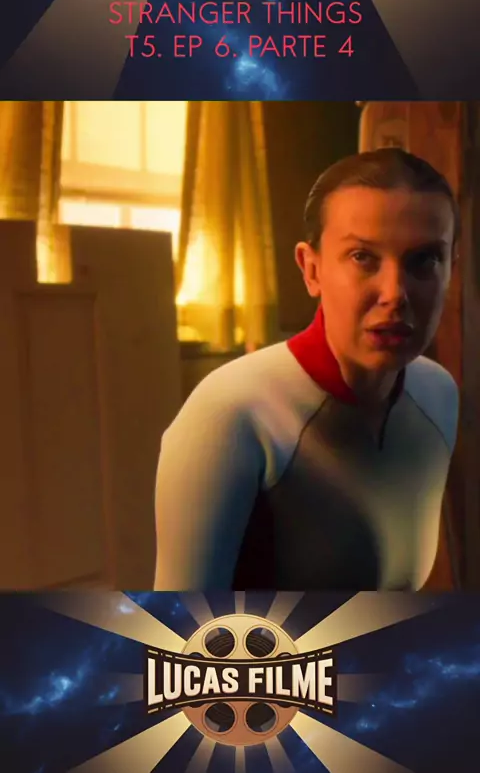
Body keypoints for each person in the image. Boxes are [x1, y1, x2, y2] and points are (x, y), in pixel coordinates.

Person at [154, 148, 459, 591]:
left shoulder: (438, 393)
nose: (395, 293)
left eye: (424, 260)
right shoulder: (229, 415)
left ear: (451, 269)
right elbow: (181, 625)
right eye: (363, 257)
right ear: (311, 269)